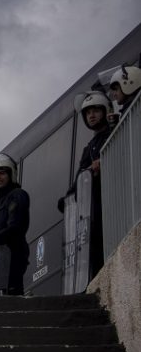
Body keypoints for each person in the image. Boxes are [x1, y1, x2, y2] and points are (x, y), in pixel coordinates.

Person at [58, 91, 114, 278]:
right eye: (88, 112)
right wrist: (67, 199)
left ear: (105, 111)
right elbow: (80, 176)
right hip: (93, 208)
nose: (91, 115)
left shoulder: (115, 131)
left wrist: (103, 160)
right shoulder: (89, 147)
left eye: (96, 110)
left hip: (111, 201)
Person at [0, 153, 30, 295]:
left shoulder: (17, 194)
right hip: (2, 257)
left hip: (13, 252)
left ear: (11, 174)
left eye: (2, 173)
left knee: (13, 293)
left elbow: (15, 226)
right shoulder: (1, 202)